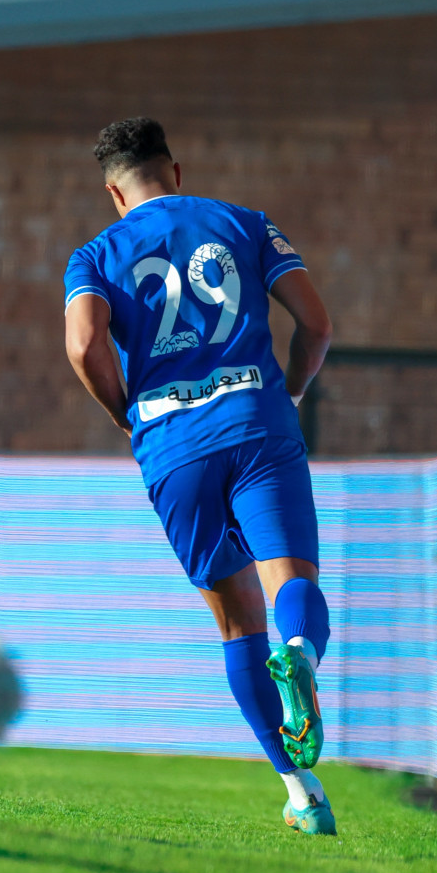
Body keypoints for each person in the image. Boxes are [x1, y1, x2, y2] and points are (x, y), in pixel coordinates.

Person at [63, 117, 336, 835]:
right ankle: (300, 654)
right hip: (256, 421)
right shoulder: (244, 223)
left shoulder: (94, 255)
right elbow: (316, 323)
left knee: (236, 620)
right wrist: (292, 392)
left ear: (113, 195)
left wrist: (127, 415)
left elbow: (84, 344)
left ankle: (302, 792)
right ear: (176, 171)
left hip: (171, 445)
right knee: (290, 585)